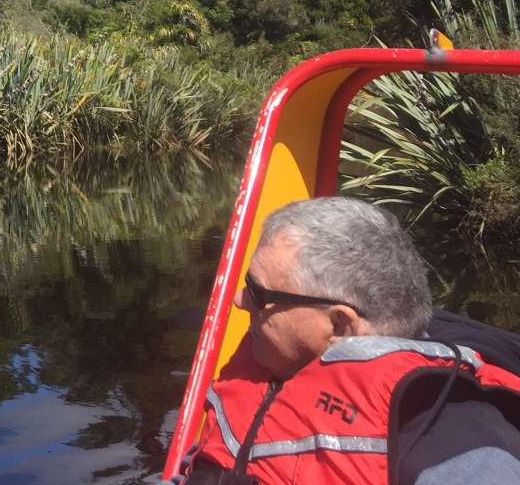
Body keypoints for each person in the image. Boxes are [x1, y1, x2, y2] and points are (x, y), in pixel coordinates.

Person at [175, 196, 520, 484]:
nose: (238, 300)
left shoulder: (451, 439)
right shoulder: (272, 366)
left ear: (339, 324)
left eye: (257, 293)